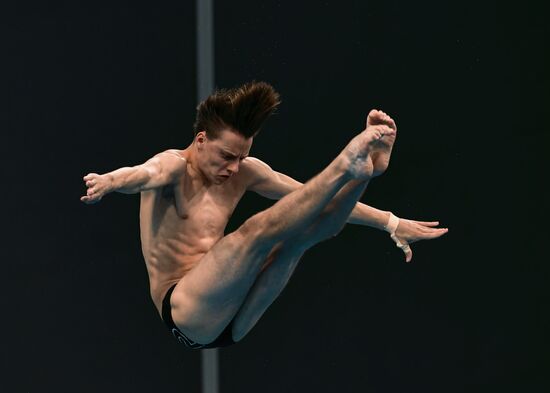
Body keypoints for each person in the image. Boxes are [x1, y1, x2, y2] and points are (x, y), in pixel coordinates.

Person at [81, 81, 448, 349]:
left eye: (241, 156)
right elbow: (143, 174)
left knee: (305, 233)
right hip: (185, 310)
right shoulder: (173, 167)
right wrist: (110, 181)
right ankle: (347, 164)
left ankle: (364, 173)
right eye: (227, 156)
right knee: (255, 231)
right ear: (201, 140)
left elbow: (310, 197)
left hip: (233, 321)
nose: (233, 167)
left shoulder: (245, 171)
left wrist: (390, 222)